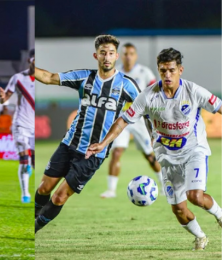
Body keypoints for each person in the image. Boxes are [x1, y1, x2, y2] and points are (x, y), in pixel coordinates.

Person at [86, 48, 222, 250]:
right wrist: (104, 143)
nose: (167, 75)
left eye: (171, 70)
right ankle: (200, 236)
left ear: (180, 70)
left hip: (194, 151)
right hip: (166, 157)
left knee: (195, 196)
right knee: (178, 209)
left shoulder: (193, 91)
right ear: (158, 70)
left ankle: (220, 216)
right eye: (163, 70)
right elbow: (123, 120)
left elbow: (219, 107)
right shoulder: (148, 96)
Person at [34, 35, 140, 233]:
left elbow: (145, 108)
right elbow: (48, 78)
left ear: (116, 56)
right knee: (43, 189)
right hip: (68, 144)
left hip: (93, 154)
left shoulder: (127, 85)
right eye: (102, 53)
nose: (106, 57)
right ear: (96, 55)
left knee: (59, 197)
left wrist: (155, 134)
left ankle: (34, 230)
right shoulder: (84, 77)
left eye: (110, 54)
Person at [100, 43, 164, 198]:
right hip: (121, 119)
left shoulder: (144, 72)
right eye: (125, 53)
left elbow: (156, 93)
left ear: (135, 56)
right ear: (121, 56)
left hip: (140, 120)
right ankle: (111, 190)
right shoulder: (115, 73)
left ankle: (164, 186)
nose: (128, 56)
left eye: (131, 53)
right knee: (116, 153)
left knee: (150, 155)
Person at [0, 49, 35, 203]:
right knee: (24, 157)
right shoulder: (18, 78)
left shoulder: (44, 78)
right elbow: (5, 98)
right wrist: (2, 98)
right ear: (29, 60)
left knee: (33, 163)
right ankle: (25, 193)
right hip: (20, 123)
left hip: (35, 127)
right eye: (35, 59)